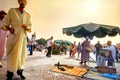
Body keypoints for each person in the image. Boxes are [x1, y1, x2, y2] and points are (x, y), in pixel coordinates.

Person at [1, 0, 32, 80]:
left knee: (21, 56)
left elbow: (30, 26)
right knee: (12, 55)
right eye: (21, 1)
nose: (23, 3)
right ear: (19, 2)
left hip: (22, 39)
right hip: (13, 38)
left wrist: (27, 27)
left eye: (24, 1)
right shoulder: (12, 11)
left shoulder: (27, 15)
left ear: (26, 3)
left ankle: (20, 72)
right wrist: (10, 29)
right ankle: (9, 74)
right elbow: (5, 23)